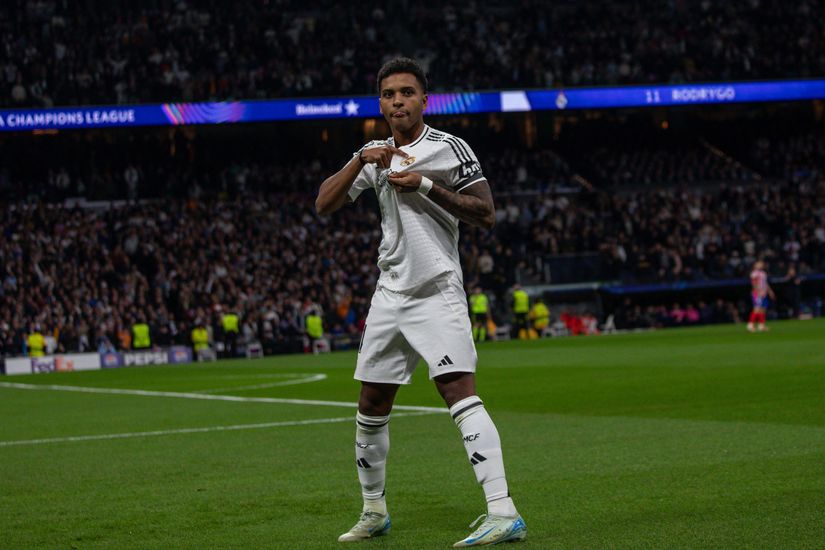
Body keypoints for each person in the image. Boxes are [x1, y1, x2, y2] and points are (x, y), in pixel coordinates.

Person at [316, 57, 526, 547]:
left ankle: (503, 511)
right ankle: (374, 511)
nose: (398, 102)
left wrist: (426, 186)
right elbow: (324, 204)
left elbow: (486, 213)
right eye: (389, 94)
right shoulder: (374, 154)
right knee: (371, 402)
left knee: (458, 392)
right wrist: (360, 161)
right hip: (390, 293)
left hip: (436, 289)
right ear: (380, 103)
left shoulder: (449, 147)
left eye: (407, 93)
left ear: (424, 100)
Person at [747, 260, 775, 332]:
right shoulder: (754, 273)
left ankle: (761, 325)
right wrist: (757, 291)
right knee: (756, 309)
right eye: (759, 264)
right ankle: (750, 325)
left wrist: (770, 291)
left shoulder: (763, 273)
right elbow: (754, 283)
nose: (760, 265)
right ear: (755, 265)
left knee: (763, 309)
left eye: (761, 264)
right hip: (757, 293)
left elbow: (765, 283)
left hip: (764, 293)